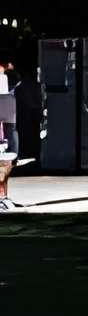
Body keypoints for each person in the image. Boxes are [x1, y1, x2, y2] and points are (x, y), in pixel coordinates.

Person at [0, 55, 20, 209]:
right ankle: (2, 197)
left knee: (8, 160)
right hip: (5, 122)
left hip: (8, 120)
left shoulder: (8, 77)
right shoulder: (5, 77)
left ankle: (4, 196)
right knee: (4, 161)